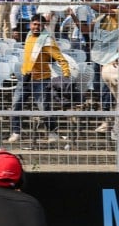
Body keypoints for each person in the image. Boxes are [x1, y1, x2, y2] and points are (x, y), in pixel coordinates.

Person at [8, 15, 72, 144]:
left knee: (44, 107)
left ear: (43, 26)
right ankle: (16, 132)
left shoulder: (47, 41)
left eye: (39, 25)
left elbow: (60, 58)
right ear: (30, 24)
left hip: (41, 79)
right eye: (34, 24)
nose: (36, 27)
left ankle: (52, 133)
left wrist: (66, 74)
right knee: (16, 104)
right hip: (25, 77)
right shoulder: (28, 36)